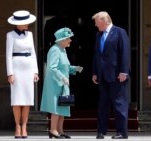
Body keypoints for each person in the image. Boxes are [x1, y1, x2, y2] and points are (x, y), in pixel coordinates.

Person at [92, 11, 130, 139]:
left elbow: (124, 52)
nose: (96, 25)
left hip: (117, 75)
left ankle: (122, 132)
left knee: (119, 104)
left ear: (104, 20)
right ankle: (101, 131)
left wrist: (124, 71)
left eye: (97, 22)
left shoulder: (120, 32)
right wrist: (95, 72)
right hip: (103, 76)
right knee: (103, 104)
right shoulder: (98, 35)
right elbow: (97, 55)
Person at [40, 27, 83, 139]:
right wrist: (62, 78)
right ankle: (53, 130)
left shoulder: (62, 50)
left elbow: (65, 66)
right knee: (56, 108)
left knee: (63, 106)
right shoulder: (55, 49)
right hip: (55, 83)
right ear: (62, 40)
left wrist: (74, 68)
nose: (70, 41)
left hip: (63, 83)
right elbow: (52, 68)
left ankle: (60, 130)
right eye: (68, 38)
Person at [6, 10, 39, 139]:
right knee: (16, 99)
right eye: (26, 23)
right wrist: (10, 73)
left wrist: (36, 71)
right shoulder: (10, 35)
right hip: (16, 68)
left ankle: (24, 126)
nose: (28, 24)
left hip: (28, 68)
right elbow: (8, 56)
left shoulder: (30, 34)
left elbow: (33, 53)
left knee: (27, 99)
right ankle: (17, 126)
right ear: (19, 24)